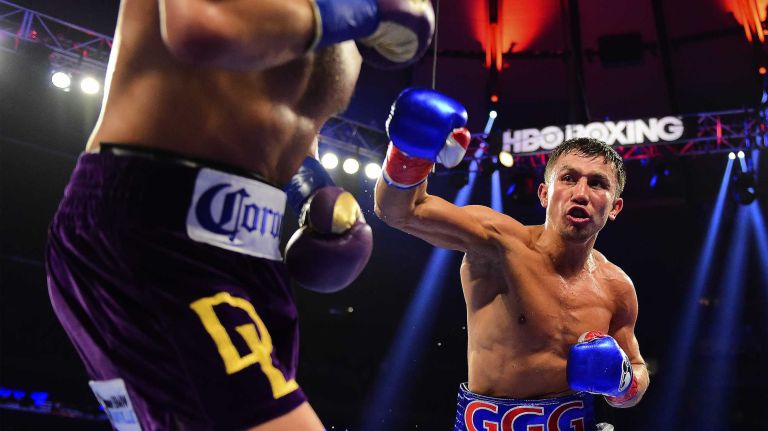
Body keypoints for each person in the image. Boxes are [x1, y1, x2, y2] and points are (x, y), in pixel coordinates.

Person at [45, 1, 435, 430]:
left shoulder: (345, 24)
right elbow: (201, 25)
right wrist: (372, 9)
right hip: (156, 231)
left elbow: (288, 121)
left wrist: (316, 197)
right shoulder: (356, 10)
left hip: (248, 257)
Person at [374, 88, 650, 430]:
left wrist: (624, 383)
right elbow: (401, 211)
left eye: (597, 184)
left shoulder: (616, 287)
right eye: (568, 178)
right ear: (545, 194)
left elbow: (638, 368)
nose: (581, 193)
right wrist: (408, 153)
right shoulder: (499, 244)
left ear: (614, 208)